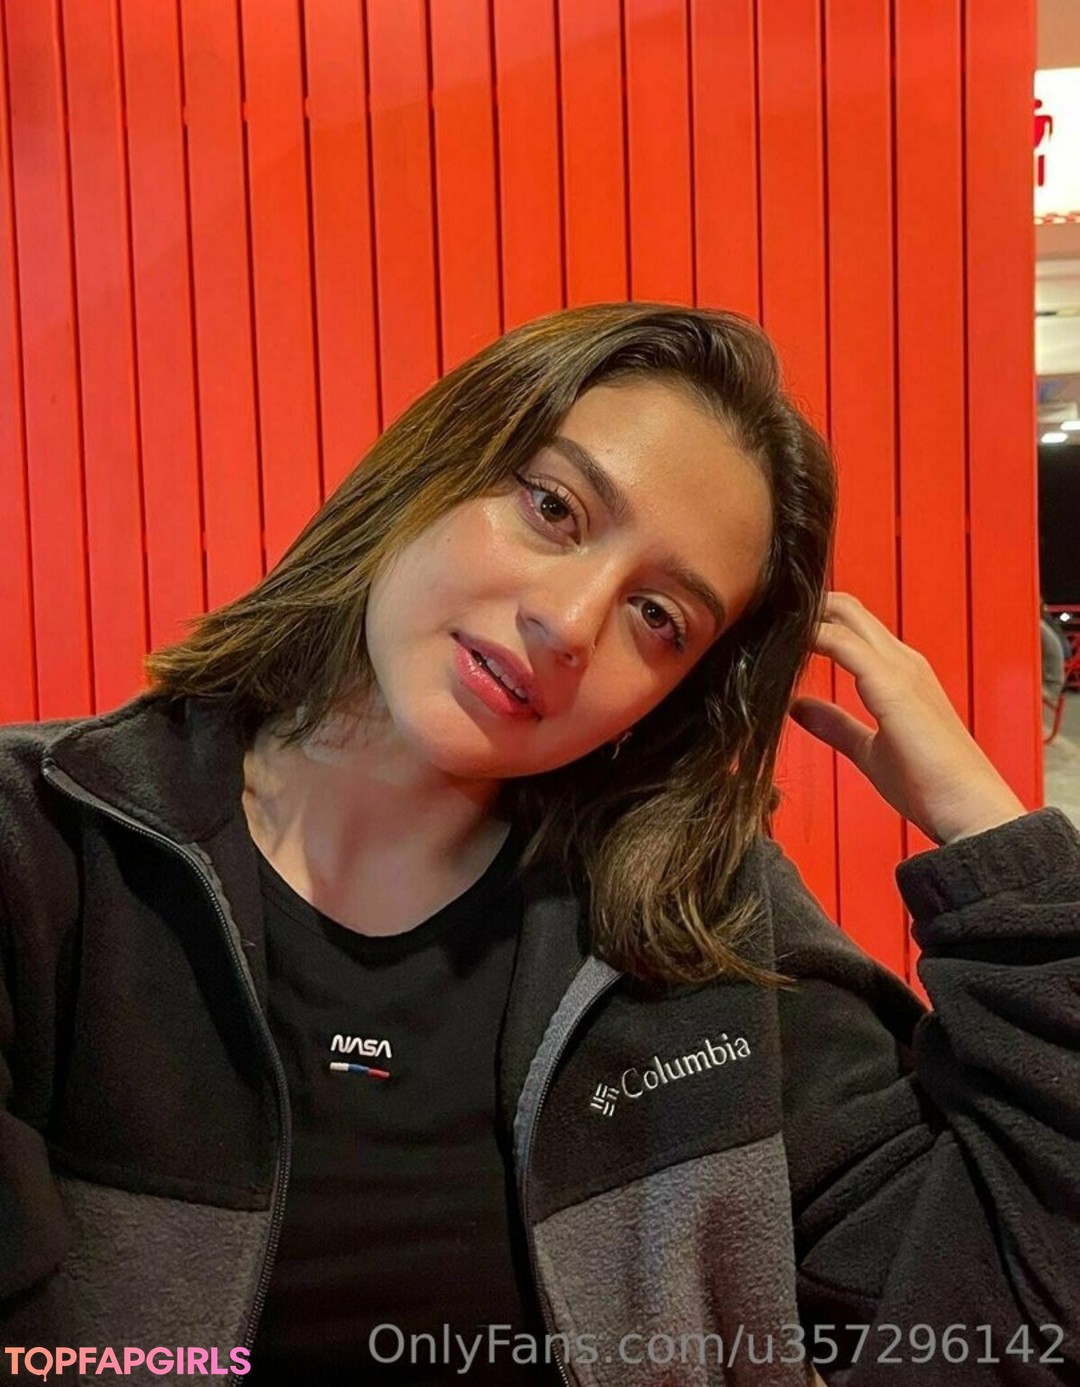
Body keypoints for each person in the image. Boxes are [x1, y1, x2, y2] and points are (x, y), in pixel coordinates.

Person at [0, 303, 1076, 1387]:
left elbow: (1017, 1318)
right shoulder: (41, 845)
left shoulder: (701, 932)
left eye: (659, 616)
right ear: (436, 465)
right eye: (554, 507)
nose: (568, 622)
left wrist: (1001, 854)